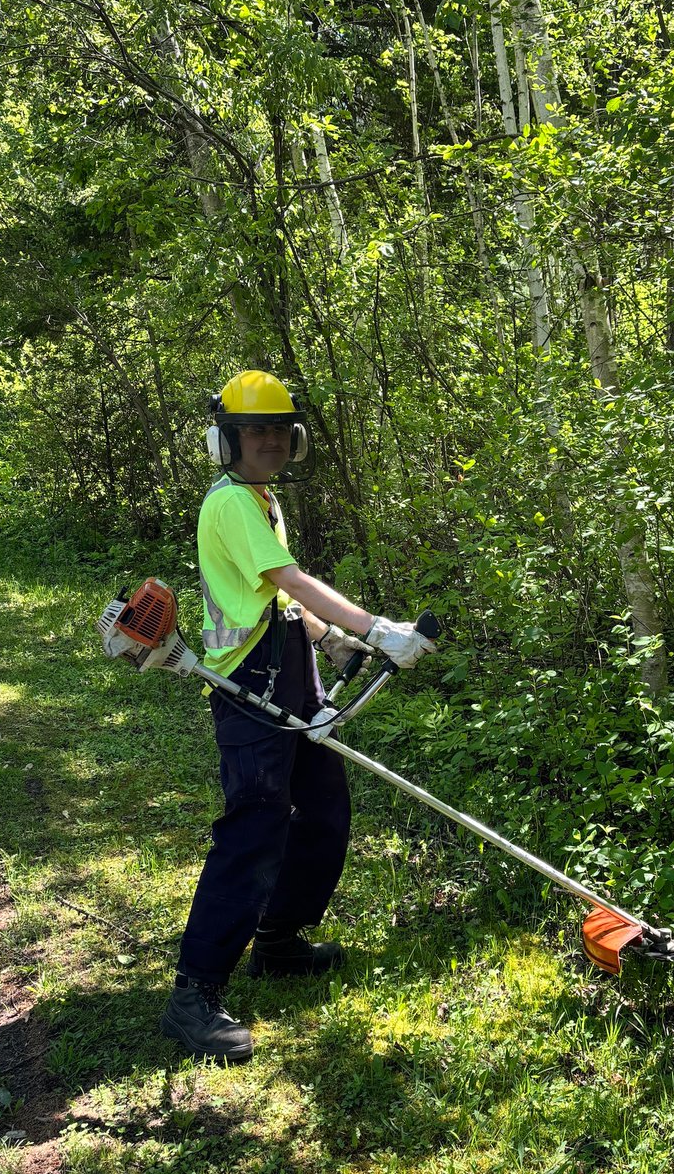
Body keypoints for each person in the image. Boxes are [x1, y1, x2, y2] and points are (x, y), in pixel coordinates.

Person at [160, 369, 435, 1062]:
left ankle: (278, 942)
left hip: (291, 675)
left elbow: (279, 598)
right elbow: (289, 579)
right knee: (254, 829)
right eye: (255, 431)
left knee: (321, 812)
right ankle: (193, 994)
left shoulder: (263, 500)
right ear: (225, 440)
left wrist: (330, 636)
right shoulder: (228, 504)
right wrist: (376, 628)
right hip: (248, 688)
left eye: (280, 430)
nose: (270, 442)